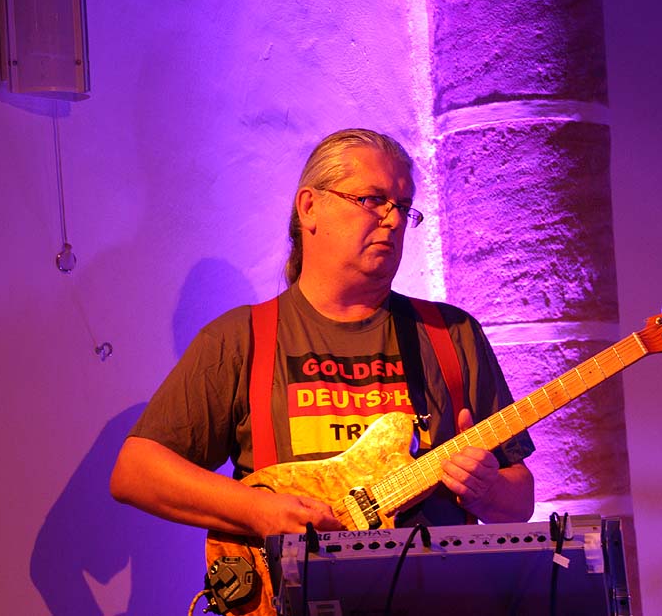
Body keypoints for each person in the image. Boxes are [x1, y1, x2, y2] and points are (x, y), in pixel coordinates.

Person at [110, 128, 535, 541]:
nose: (393, 219)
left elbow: (520, 501)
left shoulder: (452, 333)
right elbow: (136, 471)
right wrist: (256, 510)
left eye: (404, 207)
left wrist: (486, 489)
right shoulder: (240, 339)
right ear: (309, 207)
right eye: (372, 200)